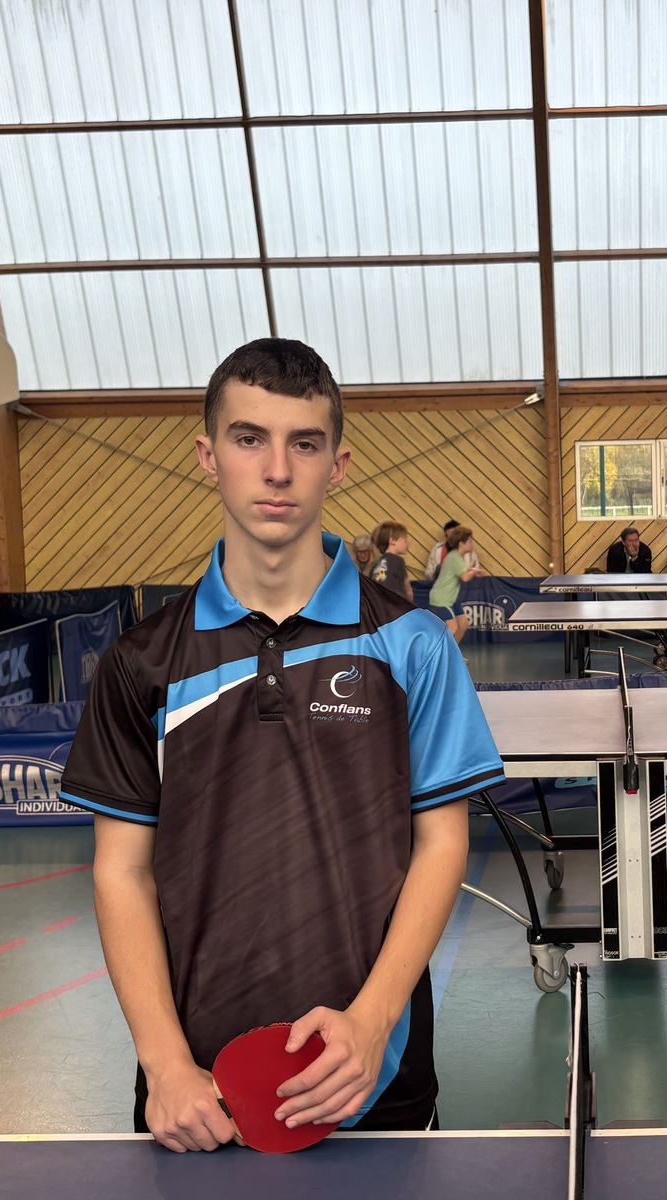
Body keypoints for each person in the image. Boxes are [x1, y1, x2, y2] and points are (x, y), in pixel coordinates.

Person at [60, 338, 502, 1150]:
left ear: (337, 466)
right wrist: (165, 1063)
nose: (276, 470)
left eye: (304, 444)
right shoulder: (141, 661)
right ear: (207, 455)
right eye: (248, 439)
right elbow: (121, 870)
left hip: (375, 1077)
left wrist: (371, 1023)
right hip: (195, 1091)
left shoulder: (413, 644)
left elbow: (442, 843)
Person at [428, 525, 479, 644]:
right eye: (470, 541)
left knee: (463, 624)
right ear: (461, 544)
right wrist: (474, 570)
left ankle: (453, 652)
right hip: (442, 599)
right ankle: (439, 653)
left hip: (452, 598)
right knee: (453, 629)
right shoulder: (455, 557)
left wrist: (473, 571)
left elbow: (463, 573)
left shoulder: (457, 557)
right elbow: (465, 577)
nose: (472, 543)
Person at [369, 521, 414, 602]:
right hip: (396, 604)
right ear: (392, 540)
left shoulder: (375, 566)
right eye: (405, 540)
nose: (408, 542)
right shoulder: (397, 561)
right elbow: (408, 590)